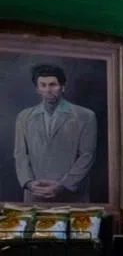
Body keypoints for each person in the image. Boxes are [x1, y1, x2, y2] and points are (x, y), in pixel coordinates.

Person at [13, 64, 97, 202]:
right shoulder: (24, 117)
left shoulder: (85, 116)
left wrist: (63, 185)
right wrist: (28, 183)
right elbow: (20, 154)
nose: (48, 90)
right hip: (35, 195)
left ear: (63, 87)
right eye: (43, 85)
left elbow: (87, 156)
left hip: (72, 197)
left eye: (53, 84)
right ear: (37, 89)